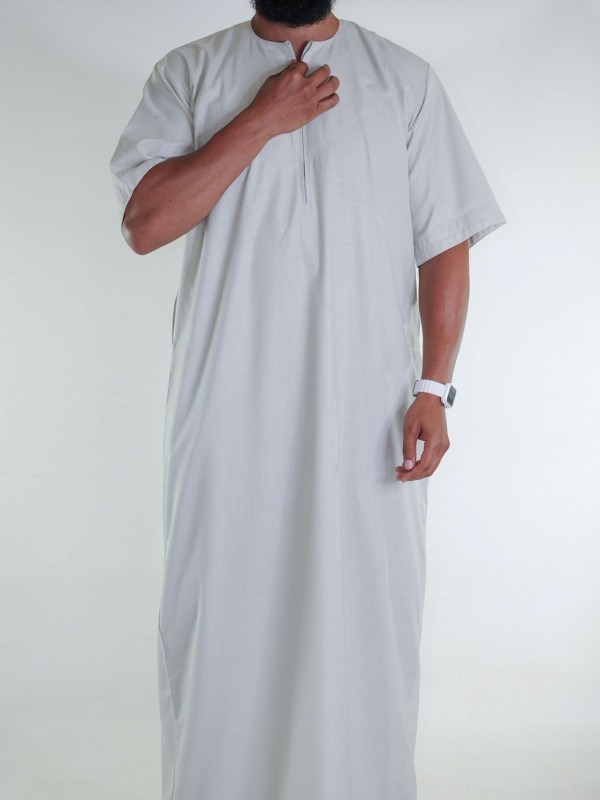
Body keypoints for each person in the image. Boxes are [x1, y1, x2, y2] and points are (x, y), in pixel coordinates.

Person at [108, 1, 506, 798]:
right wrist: (261, 120)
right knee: (221, 618)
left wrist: (433, 387)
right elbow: (146, 223)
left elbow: (445, 241)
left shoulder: (403, 81)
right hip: (225, 407)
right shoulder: (190, 74)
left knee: (365, 621)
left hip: (366, 413)